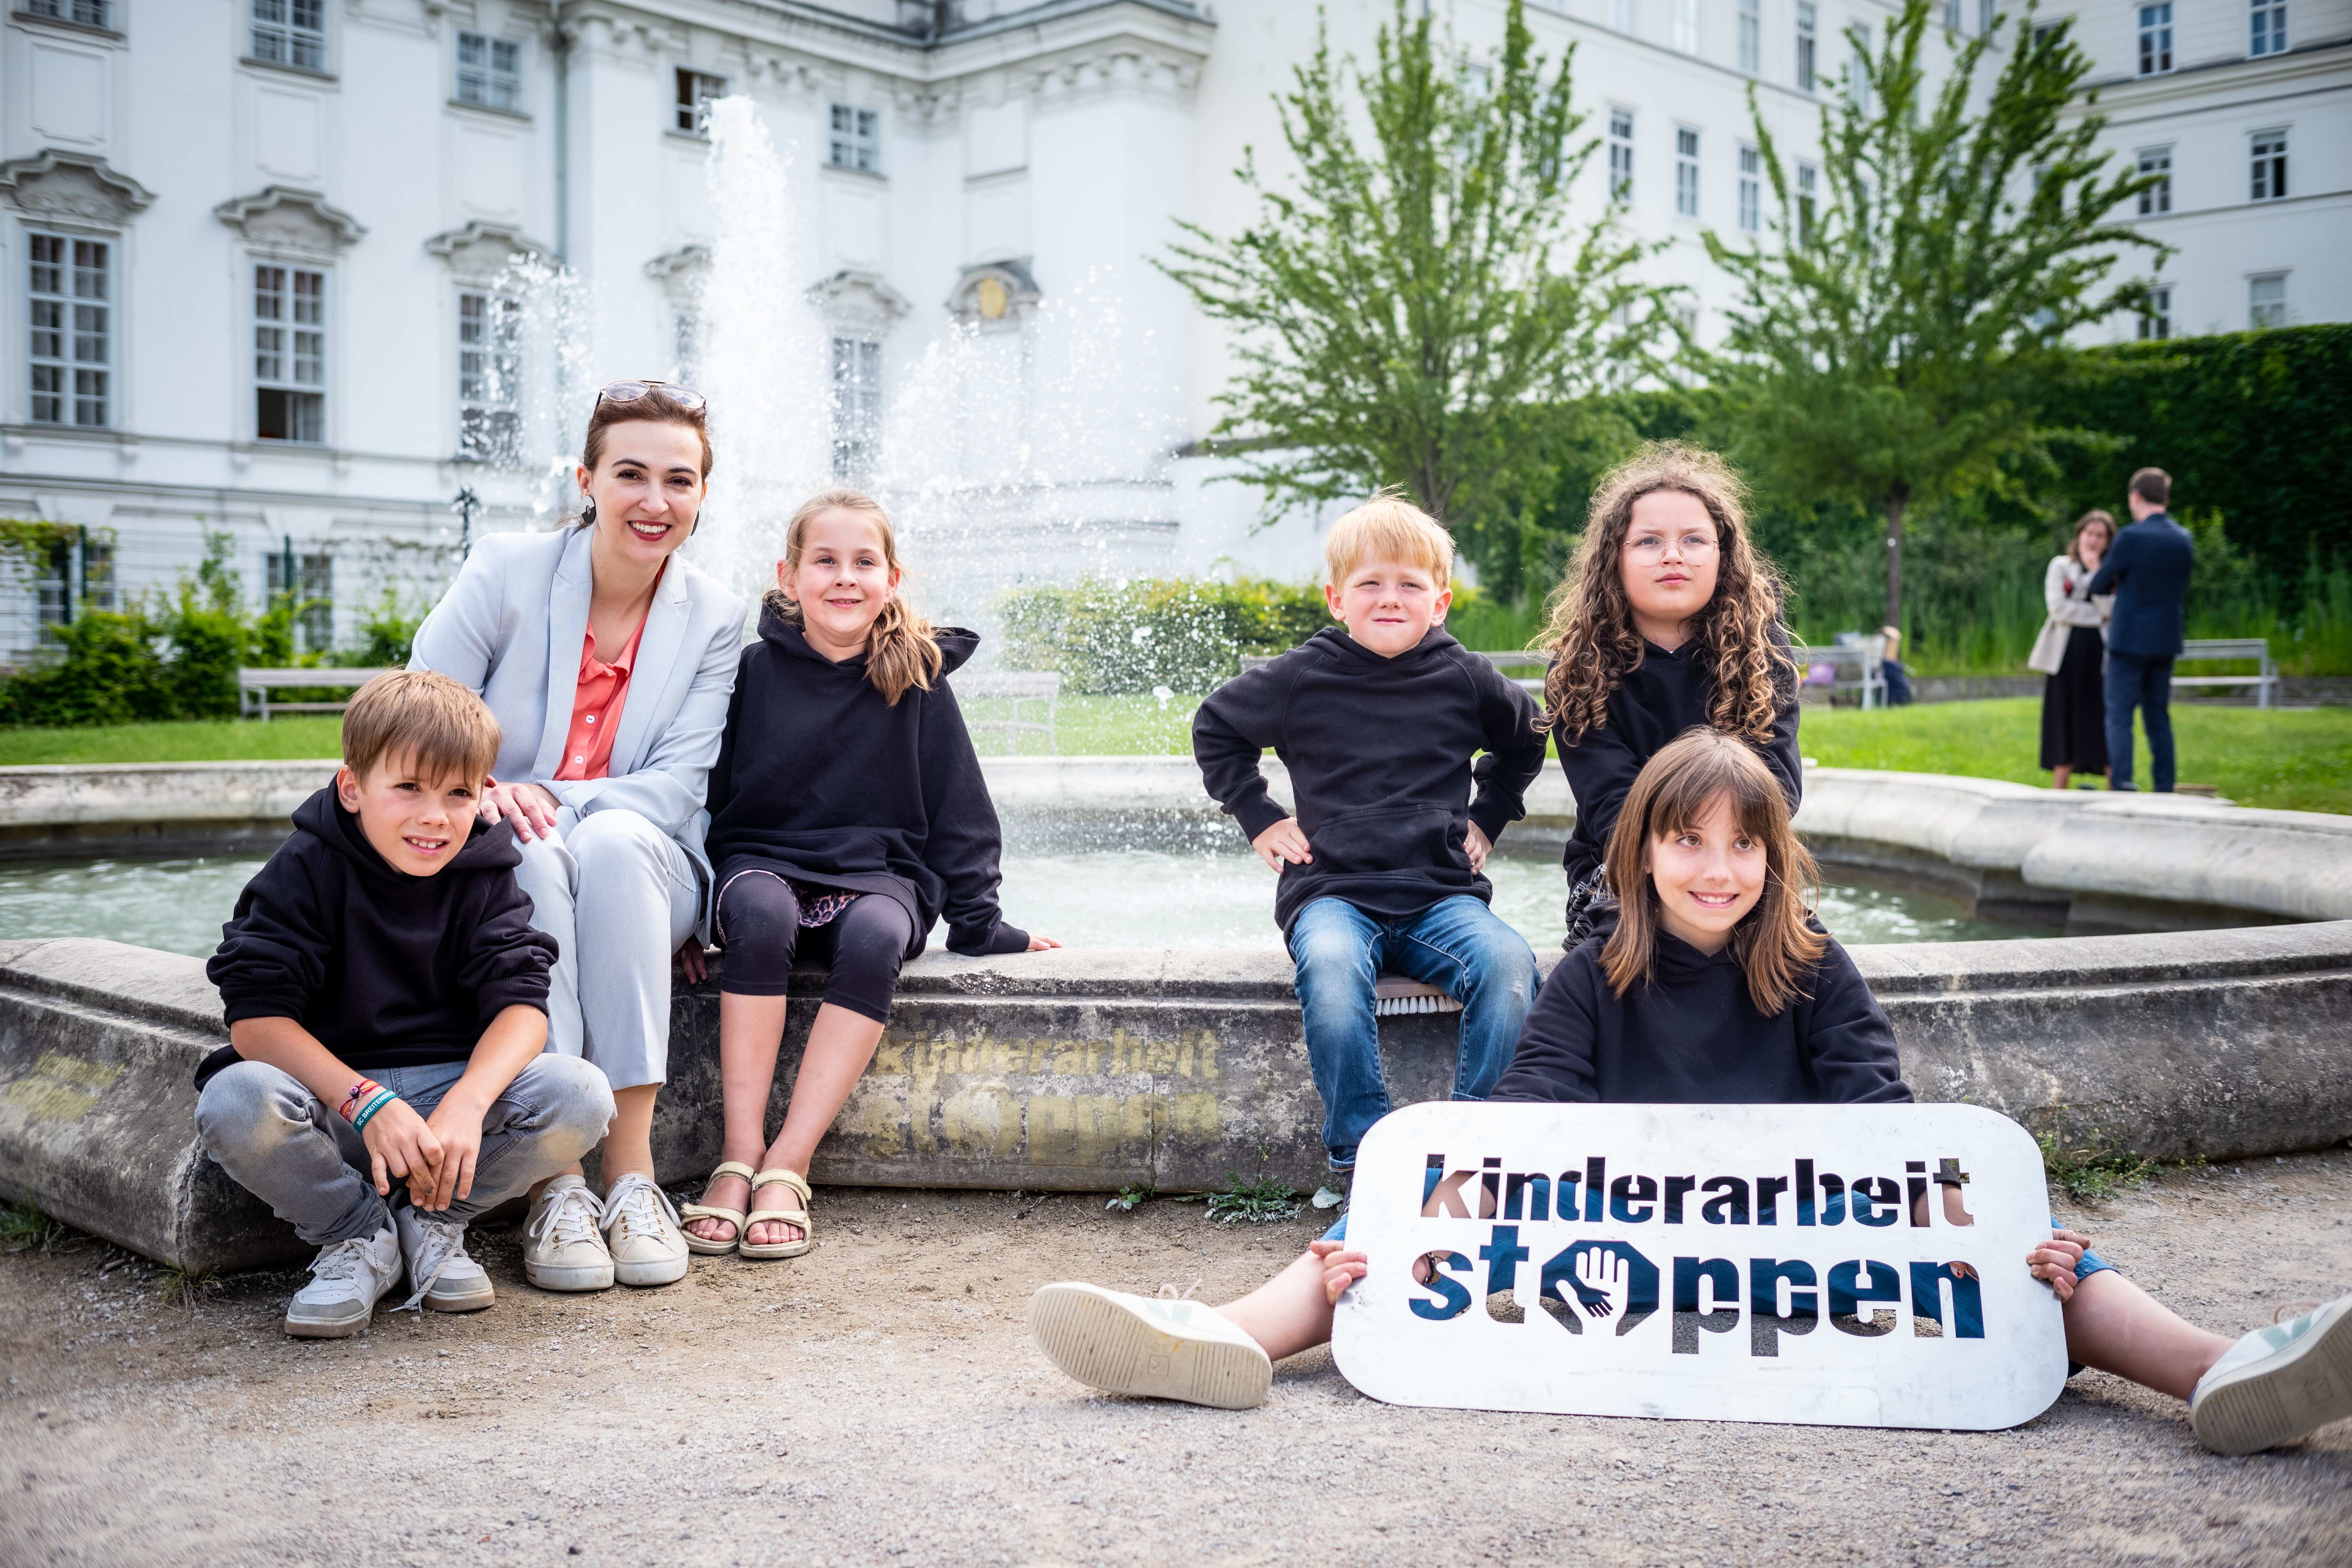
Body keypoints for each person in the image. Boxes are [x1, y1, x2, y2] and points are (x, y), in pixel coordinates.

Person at [1024, 732, 2352, 1460]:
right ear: (1641, 853)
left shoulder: (1817, 969)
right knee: (1363, 1251)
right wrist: (1428, 1215)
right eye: (1686, 840)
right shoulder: (1591, 974)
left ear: (1776, 857)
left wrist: (1976, 1227)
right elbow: (1532, 1113)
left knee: (2047, 1269)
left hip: (1802, 1257)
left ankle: (2223, 1369)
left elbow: (1881, 1123)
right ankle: (1217, 1339)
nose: (1716, 868)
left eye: (1741, 845)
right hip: (1616, 1261)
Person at [409, 381, 748, 1292]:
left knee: (607, 841)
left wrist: (540, 795)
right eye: (630, 474)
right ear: (587, 479)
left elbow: (676, 787)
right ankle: (556, 1182)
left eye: (679, 480)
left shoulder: (716, 615)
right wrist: (497, 800)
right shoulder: (505, 572)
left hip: (647, 866)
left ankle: (632, 1174)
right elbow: (422, 719)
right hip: (500, 861)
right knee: (529, 850)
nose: (654, 500)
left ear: (702, 494)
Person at [679, 488, 1059, 1258]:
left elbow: (960, 810)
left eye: (864, 562)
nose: (845, 577)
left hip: (877, 876)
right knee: (759, 914)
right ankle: (741, 1152)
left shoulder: (916, 678)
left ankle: (789, 1162)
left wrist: (983, 924)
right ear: (789, 576)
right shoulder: (751, 672)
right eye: (825, 560)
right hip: (764, 862)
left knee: (879, 933)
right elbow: (699, 794)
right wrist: (685, 916)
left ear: (891, 577)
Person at [194, 672, 611, 1338]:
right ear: (352, 788)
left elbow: (523, 1007)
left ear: (482, 794)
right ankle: (356, 1233)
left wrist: (469, 1102)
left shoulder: (486, 871)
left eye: (458, 794)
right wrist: (365, 1101)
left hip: (446, 1116)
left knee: (580, 1093)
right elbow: (255, 1017)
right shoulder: (305, 866)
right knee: (235, 1101)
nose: (435, 816)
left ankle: (432, 1220)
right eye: (409, 787)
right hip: (334, 1109)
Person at [1187, 492, 1547, 1181]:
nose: (1389, 598)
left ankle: (1474, 1156)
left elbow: (1529, 737)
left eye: (1410, 585)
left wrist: (1490, 815)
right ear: (1336, 599)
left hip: (1442, 896)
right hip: (1334, 894)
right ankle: (1368, 1159)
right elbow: (1216, 727)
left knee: (1508, 965)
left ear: (1440, 603)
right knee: (1329, 970)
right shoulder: (1300, 677)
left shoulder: (1465, 678)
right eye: (1370, 583)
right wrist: (1259, 815)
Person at [1539, 442, 1801, 949]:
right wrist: (1682, 870)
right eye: (1648, 541)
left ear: (1723, 556)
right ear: (1614, 561)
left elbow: (1779, 787)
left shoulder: (1761, 652)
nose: (1673, 555)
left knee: (1805, 958)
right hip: (1622, 867)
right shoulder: (1579, 668)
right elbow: (1611, 806)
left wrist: (1714, 863)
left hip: (1738, 865)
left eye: (1694, 540)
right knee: (1623, 954)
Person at [2088, 468, 2195, 792]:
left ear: (2136, 496)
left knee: (2120, 716)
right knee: (2158, 717)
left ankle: (2121, 783)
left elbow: (2099, 584)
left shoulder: (2131, 537)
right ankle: (2164, 786)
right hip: (2166, 640)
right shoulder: (2184, 538)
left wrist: (2100, 569)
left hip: (2129, 640)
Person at [2034, 511, 2116, 790]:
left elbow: (2113, 608)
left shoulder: (2111, 571)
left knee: (2102, 718)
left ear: (2108, 541)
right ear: (2079, 534)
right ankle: (2059, 788)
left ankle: (2115, 786)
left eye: (2100, 536)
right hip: (2065, 657)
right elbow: (2059, 609)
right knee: (2063, 718)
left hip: (2101, 657)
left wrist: (2096, 573)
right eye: (2089, 533)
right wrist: (2099, 615)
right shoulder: (2060, 566)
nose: (2093, 540)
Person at [1877, 626, 1914, 707]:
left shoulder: (1885, 643)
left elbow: (1896, 635)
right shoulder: (1883, 643)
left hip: (1888, 668)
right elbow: (1897, 635)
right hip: (1887, 668)